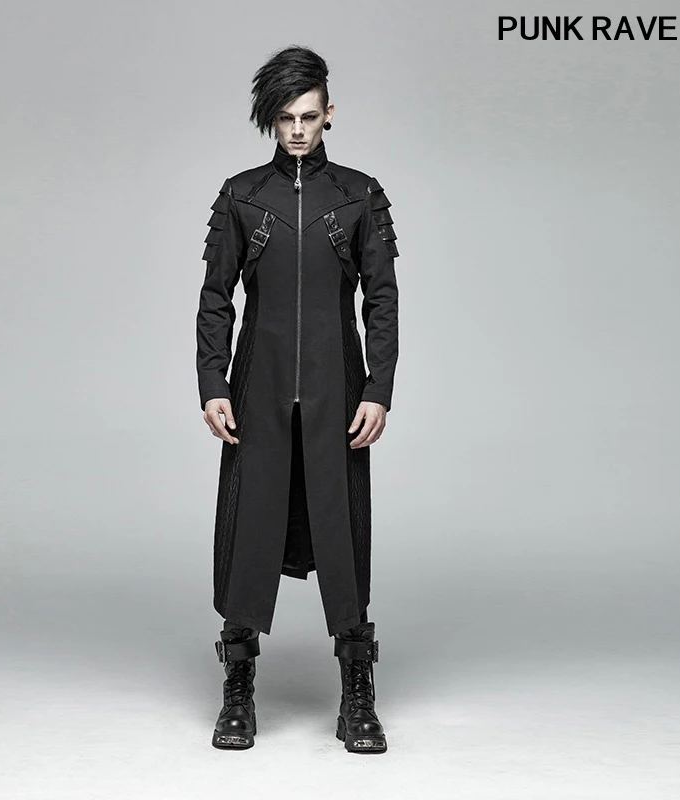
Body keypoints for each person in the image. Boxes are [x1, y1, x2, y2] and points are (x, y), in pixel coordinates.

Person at [195, 45, 399, 753]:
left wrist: (378, 388)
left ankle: (357, 693)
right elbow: (215, 299)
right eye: (285, 119)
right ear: (270, 121)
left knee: (342, 527)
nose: (298, 130)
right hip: (258, 386)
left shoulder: (359, 195)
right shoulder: (242, 196)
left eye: (309, 116)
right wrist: (213, 383)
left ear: (329, 112)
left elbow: (382, 301)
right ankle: (238, 685)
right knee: (250, 524)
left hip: (339, 387)